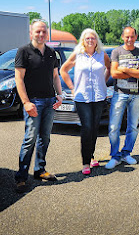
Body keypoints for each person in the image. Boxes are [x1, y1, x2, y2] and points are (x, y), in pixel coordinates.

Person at [14, 20, 64, 192]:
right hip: (33, 102)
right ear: (31, 33)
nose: (41, 34)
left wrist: (60, 95)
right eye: (38, 32)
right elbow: (19, 79)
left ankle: (40, 170)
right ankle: (21, 177)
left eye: (44, 31)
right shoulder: (24, 51)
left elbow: (56, 76)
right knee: (30, 139)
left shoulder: (52, 52)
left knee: (45, 137)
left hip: (50, 101)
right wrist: (26, 102)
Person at [60, 28, 111, 175]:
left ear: (97, 41)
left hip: (99, 97)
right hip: (82, 98)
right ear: (83, 40)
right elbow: (63, 70)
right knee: (87, 127)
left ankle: (92, 155)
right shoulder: (78, 55)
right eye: (87, 38)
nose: (90, 40)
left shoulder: (102, 55)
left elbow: (109, 68)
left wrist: (104, 81)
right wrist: (72, 87)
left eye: (93, 38)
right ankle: (85, 162)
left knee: (95, 128)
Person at [105, 26, 139, 169]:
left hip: (136, 95)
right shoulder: (117, 51)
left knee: (133, 127)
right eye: (127, 36)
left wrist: (125, 69)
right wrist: (134, 72)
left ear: (136, 37)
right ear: (122, 36)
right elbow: (114, 74)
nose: (129, 39)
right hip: (120, 94)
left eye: (132, 36)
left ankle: (126, 153)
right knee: (113, 127)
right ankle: (115, 156)